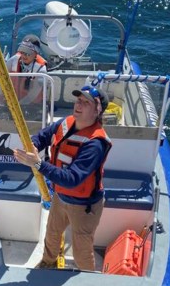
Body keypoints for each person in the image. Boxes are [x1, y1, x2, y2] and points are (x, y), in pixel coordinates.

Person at [12, 85, 112, 271]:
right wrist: (33, 145)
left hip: (84, 206)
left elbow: (72, 178)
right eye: (78, 100)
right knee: (51, 234)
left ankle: (87, 278)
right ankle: (47, 262)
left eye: (85, 102)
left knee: (82, 251)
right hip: (60, 197)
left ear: (97, 111)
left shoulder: (95, 144)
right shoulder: (65, 123)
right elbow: (43, 136)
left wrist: (38, 164)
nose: (78, 105)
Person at [5, 34, 47, 103]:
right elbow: (2, 75)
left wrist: (20, 105)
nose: (24, 55)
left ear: (36, 53)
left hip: (32, 105)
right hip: (13, 101)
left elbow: (34, 94)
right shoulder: (13, 60)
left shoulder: (41, 70)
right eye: (22, 51)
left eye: (28, 53)